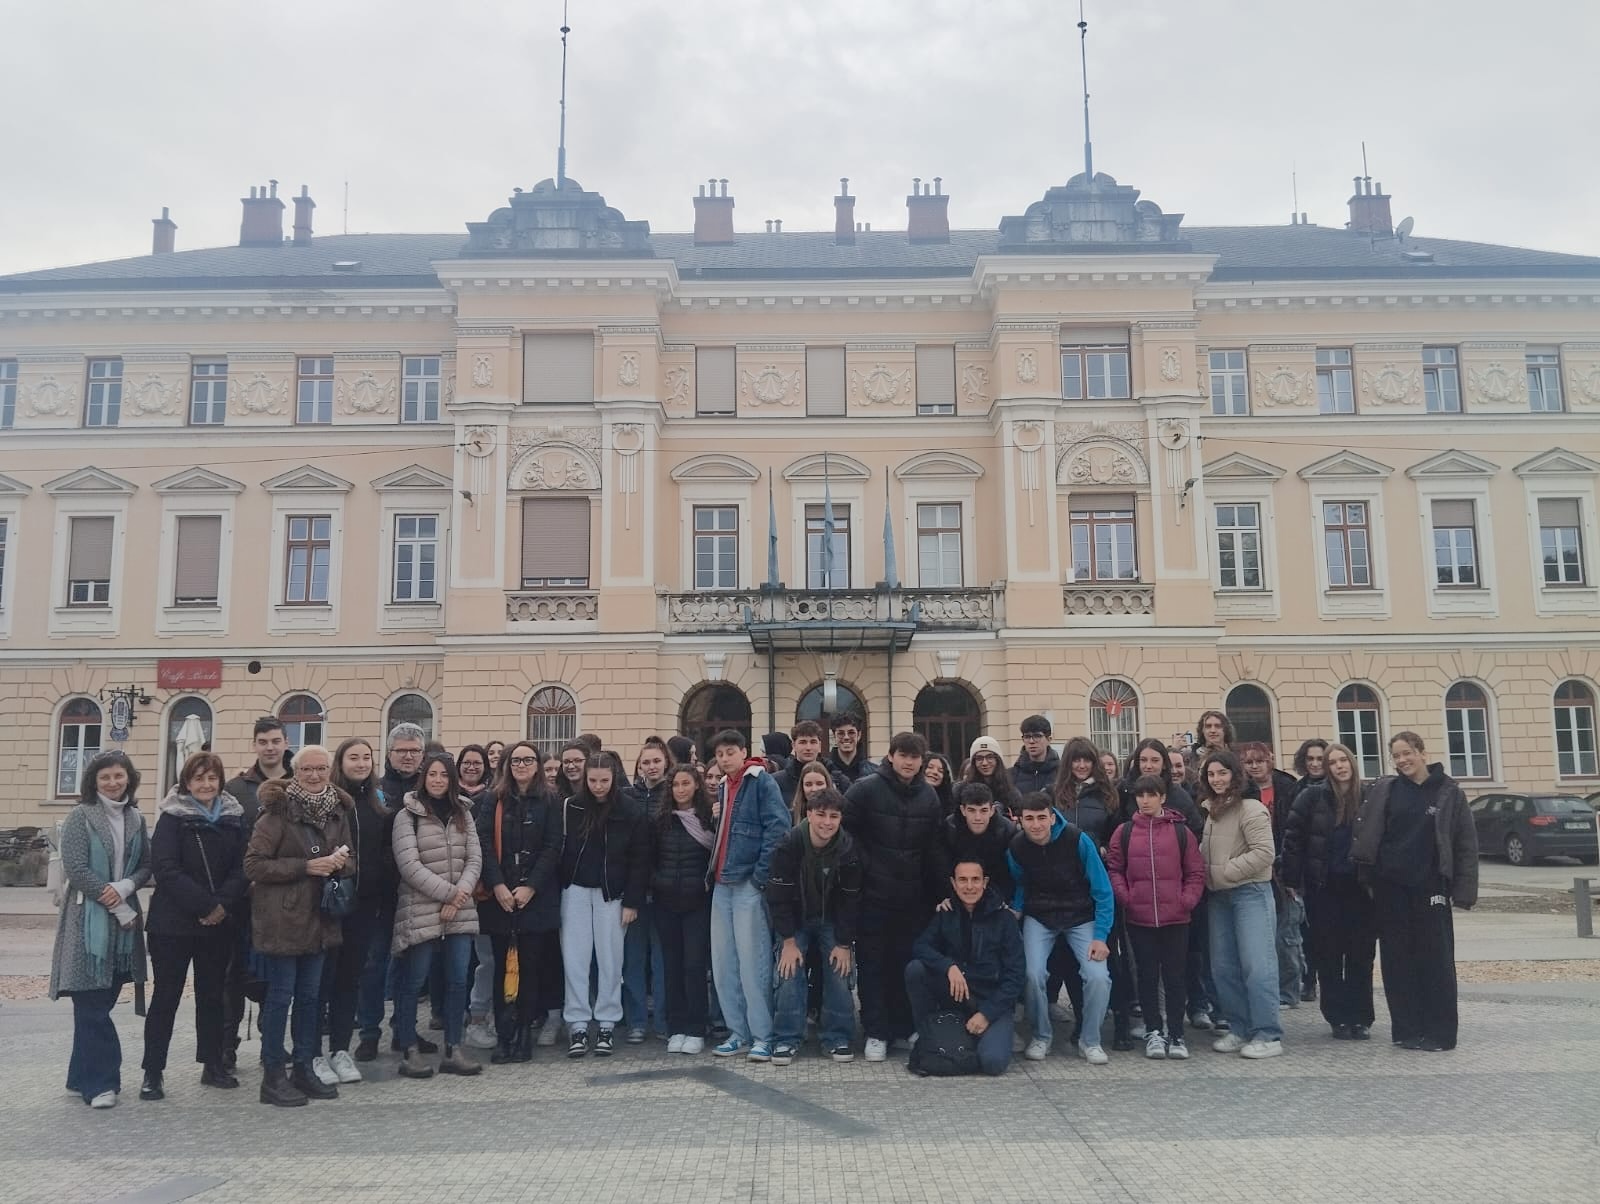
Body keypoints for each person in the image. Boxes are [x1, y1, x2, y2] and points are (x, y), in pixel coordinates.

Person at [1353, 732, 1477, 1052]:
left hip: (1431, 885)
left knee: (1435, 960)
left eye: (1407, 753)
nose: (1402, 760)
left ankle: (1440, 1032)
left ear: (1421, 752)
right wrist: (1367, 875)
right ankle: (1406, 1029)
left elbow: (1464, 842)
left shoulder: (1449, 792)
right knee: (1396, 961)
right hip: (1390, 887)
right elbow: (1367, 830)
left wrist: (1463, 889)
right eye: (1396, 756)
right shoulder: (1387, 790)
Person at [246, 745, 353, 1106]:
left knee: (310, 1000)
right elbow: (254, 865)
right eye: (306, 769)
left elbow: (351, 860)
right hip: (283, 919)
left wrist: (340, 862)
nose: (314, 775)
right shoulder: (277, 812)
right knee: (280, 998)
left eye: (321, 768)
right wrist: (305, 867)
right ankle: (273, 1075)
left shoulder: (338, 810)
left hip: (320, 919)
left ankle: (304, 1068)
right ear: (295, 772)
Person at [141, 752, 248, 1100]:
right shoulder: (172, 817)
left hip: (218, 923)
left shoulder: (233, 818)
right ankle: (153, 1071)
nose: (206, 785)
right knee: (166, 997)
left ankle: (213, 1063)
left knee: (213, 997)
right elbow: (166, 868)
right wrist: (205, 905)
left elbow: (243, 866)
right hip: (173, 923)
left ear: (220, 781)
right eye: (198, 778)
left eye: (212, 778)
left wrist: (221, 906)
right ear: (187, 783)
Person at [50, 750, 151, 1108]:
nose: (112, 782)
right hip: (87, 922)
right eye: (105, 777)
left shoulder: (136, 818)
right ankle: (102, 1083)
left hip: (122, 927)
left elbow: (145, 867)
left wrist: (125, 888)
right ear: (94, 782)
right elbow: (76, 869)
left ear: (129, 779)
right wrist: (115, 899)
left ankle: (80, 1077)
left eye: (118, 776)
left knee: (101, 1000)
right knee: (91, 1004)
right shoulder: (81, 816)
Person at [844, 731, 947, 1062]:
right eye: (903, 755)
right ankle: (876, 1031)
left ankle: (902, 1027)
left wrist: (940, 892)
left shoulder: (929, 797)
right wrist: (867, 865)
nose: (908, 762)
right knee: (873, 965)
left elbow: (934, 848)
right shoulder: (865, 789)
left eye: (915, 757)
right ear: (890, 756)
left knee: (906, 963)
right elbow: (847, 834)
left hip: (912, 896)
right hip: (873, 893)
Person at [391, 751, 484, 1079]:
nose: (438, 780)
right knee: (414, 982)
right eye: (432, 774)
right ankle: (409, 1050)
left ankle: (453, 1048)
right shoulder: (408, 815)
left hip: (459, 910)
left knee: (458, 979)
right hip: (421, 909)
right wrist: (450, 894)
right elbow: (409, 866)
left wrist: (459, 897)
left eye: (444, 775)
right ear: (423, 777)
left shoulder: (464, 812)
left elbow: (475, 858)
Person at [1006, 792, 1114, 1064]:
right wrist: (1017, 908)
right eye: (1029, 819)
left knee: (1098, 976)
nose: (1036, 825)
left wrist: (1101, 937)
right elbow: (1020, 882)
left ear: (1052, 818)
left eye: (1042, 818)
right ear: (1020, 821)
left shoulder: (1078, 840)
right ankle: (1042, 1035)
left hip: (1080, 916)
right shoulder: (1017, 847)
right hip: (1040, 916)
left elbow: (1103, 890)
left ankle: (1090, 1040)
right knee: (1032, 974)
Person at [1105, 775, 1206, 1060]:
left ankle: (1176, 1032)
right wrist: (1127, 897)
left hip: (1176, 918)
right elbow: (1115, 869)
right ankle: (1154, 1030)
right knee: (1147, 976)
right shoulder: (1124, 832)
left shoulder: (1180, 832)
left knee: (1175, 977)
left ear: (1163, 797)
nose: (1145, 800)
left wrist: (1186, 900)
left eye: (1152, 795)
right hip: (1139, 918)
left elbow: (1195, 872)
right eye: (1141, 795)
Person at [707, 729, 791, 1062]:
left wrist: (760, 877)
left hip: (746, 883)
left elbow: (778, 827)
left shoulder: (761, 781)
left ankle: (762, 1035)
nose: (725, 758)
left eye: (731, 751)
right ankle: (737, 1032)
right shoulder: (723, 786)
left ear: (744, 752)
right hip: (722, 881)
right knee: (724, 962)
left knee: (752, 962)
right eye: (720, 753)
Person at [1282, 743, 1376, 1039]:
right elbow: (1293, 839)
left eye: (1342, 760)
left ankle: (1361, 1016)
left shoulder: (1370, 796)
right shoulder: (1313, 796)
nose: (1338, 766)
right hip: (1326, 887)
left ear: (1352, 762)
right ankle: (1337, 1016)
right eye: (1332, 761)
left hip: (1361, 888)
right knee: (1330, 955)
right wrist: (1292, 880)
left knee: (1361, 956)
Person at [476, 740, 562, 1063]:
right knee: (501, 968)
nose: (522, 766)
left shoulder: (551, 800)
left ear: (538, 765)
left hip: (535, 899)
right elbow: (482, 841)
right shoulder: (493, 798)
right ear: (507, 766)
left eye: (528, 760)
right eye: (516, 760)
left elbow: (553, 846)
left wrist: (531, 887)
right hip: (500, 898)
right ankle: (504, 1033)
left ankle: (525, 1031)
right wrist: (497, 884)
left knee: (531, 967)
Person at [559, 753, 649, 1058]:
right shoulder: (571, 806)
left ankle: (608, 1022)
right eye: (593, 780)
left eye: (604, 780)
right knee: (575, 960)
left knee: (611, 961)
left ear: (614, 778)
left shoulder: (630, 810)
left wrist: (633, 901)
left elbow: (640, 860)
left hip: (613, 894)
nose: (598, 786)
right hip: (574, 891)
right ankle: (578, 1023)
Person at [767, 788, 863, 1064]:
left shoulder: (847, 848)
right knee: (788, 969)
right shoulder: (789, 844)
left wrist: (844, 943)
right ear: (808, 814)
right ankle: (786, 1038)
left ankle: (837, 1037)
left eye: (834, 816)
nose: (827, 822)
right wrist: (787, 941)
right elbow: (778, 896)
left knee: (839, 969)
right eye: (820, 815)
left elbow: (851, 899)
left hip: (831, 919)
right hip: (795, 919)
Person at [1197, 749, 1282, 1059]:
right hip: (1219, 897)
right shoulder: (1211, 810)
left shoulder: (1252, 809)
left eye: (1222, 773)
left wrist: (1223, 872)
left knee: (1257, 965)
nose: (1217, 779)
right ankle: (1239, 1027)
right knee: (1223, 967)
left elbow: (1264, 854)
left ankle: (1268, 1033)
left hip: (1250, 893)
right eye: (1211, 774)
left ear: (1234, 775)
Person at [904, 860, 1026, 1077]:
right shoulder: (946, 912)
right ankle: (928, 1031)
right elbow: (921, 946)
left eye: (975, 880)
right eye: (963, 880)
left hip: (992, 1002)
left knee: (993, 1063)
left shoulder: (1004, 918)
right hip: (956, 997)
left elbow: (1015, 977)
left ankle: (980, 1035)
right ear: (953, 882)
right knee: (916, 970)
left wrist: (987, 1015)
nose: (969, 886)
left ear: (985, 882)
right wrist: (948, 966)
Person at [1052, 736, 1132, 1049]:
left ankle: (1122, 1022)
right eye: (1076, 760)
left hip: (1100, 883)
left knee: (1111, 956)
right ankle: (1084, 1020)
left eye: (1087, 759)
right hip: (1067, 885)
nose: (1082, 765)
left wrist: (1105, 850)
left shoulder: (1109, 795)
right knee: (1072, 961)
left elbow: (1120, 837)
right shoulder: (1056, 795)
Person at [221, 716, 291, 1070]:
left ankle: (272, 1040)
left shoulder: (298, 784)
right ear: (254, 745)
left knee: (277, 970)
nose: (270, 747)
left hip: (287, 897)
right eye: (263, 741)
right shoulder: (236, 789)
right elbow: (229, 843)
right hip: (244, 896)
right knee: (235, 972)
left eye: (275, 741)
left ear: (285, 743)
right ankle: (227, 1044)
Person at [329, 738, 397, 1070]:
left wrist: (381, 875)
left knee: (354, 975)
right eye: (353, 758)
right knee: (322, 976)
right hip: (329, 902)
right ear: (340, 763)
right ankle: (311, 1050)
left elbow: (386, 848)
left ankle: (344, 1048)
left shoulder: (376, 802)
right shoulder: (329, 800)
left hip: (367, 902)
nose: (360, 763)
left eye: (366, 758)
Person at [653, 764, 716, 1054]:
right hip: (666, 903)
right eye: (675, 784)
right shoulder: (661, 820)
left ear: (696, 786)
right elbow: (649, 858)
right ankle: (675, 1026)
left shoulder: (708, 819)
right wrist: (657, 884)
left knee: (693, 966)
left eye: (686, 784)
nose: (680, 789)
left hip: (697, 904)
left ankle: (696, 1028)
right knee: (672, 967)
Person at [1239, 741, 1303, 1010]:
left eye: (1259, 760)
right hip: (1256, 867)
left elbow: (1297, 831)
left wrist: (1292, 872)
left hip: (1284, 866)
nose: (1254, 766)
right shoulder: (1243, 791)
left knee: (1286, 934)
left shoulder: (1289, 787)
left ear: (1270, 760)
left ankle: (1289, 991)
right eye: (1249, 762)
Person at [622, 740, 672, 1043]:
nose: (651, 767)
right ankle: (637, 1021)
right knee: (634, 959)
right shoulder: (628, 797)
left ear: (665, 762)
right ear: (639, 766)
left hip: (665, 887)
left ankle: (664, 1020)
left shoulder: (674, 793)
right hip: (634, 890)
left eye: (656, 761)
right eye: (645, 762)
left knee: (663, 961)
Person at [455, 742, 498, 1050]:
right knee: (454, 963)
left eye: (477, 762)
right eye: (467, 762)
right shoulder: (444, 797)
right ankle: (456, 1018)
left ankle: (480, 1016)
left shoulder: (493, 799)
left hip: (482, 892)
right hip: (449, 890)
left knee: (486, 960)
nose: (472, 767)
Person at [1291, 738, 1330, 1004]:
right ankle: (1309, 978)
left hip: (1331, 868)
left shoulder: (1338, 789)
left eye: (1319, 759)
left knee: (1328, 929)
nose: (1315, 764)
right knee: (1304, 929)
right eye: (1310, 759)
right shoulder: (1297, 789)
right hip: (1306, 868)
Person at [942, 782, 1017, 904]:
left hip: (997, 893)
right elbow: (944, 868)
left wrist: (1000, 900)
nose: (978, 817)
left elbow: (1010, 874)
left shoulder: (1007, 831)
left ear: (992, 810)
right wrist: (947, 896)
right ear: (963, 810)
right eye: (972, 810)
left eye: (983, 810)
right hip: (958, 894)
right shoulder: (950, 828)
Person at [772, 720, 849, 800]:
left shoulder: (838, 780)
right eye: (803, 742)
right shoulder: (777, 782)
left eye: (813, 742)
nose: (808, 748)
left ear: (819, 746)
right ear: (794, 746)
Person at [962, 737, 1019, 816]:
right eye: (979, 758)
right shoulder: (961, 791)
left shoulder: (1011, 793)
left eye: (990, 757)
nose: (984, 763)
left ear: (998, 760)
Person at [379, 724, 426, 808]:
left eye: (414, 751)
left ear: (422, 754)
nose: (408, 757)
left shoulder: (431, 790)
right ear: (389, 754)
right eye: (401, 751)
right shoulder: (376, 791)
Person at [1011, 715, 1059, 797]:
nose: (1031, 741)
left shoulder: (1062, 773)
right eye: (1027, 736)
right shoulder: (1012, 774)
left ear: (1049, 739)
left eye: (1037, 736)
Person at [825, 712, 874, 784]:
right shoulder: (824, 771)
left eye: (851, 732)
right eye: (841, 733)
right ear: (834, 736)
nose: (846, 737)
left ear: (859, 735)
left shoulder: (874, 773)